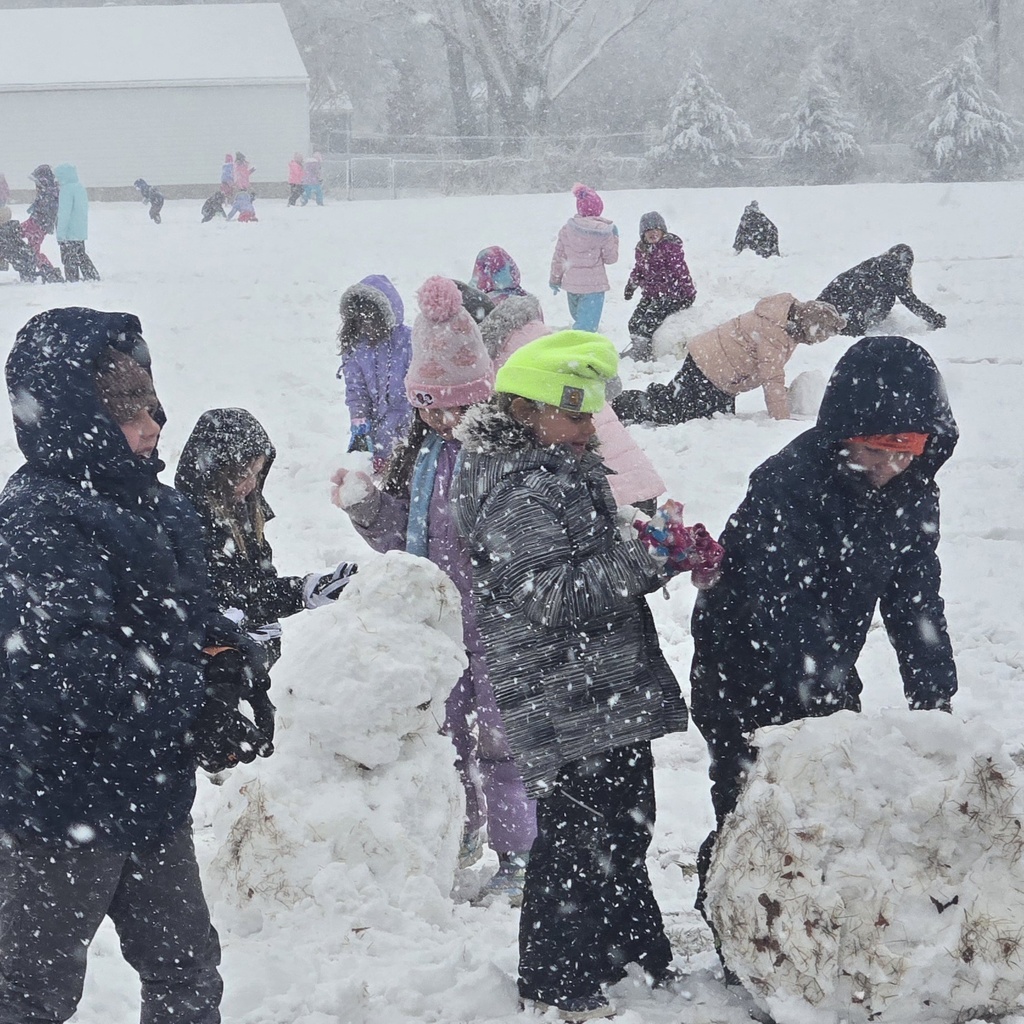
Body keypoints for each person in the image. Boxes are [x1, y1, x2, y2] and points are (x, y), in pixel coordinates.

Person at [0, 307, 275, 1024]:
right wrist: (192, 688)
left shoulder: (158, 506)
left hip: (149, 793)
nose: (153, 423)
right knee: (31, 994)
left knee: (187, 973)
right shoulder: (40, 518)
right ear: (72, 416)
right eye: (127, 410)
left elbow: (191, 620)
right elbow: (71, 673)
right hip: (61, 803)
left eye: (151, 403)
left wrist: (232, 666)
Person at [451, 330, 718, 1020]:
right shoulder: (515, 490)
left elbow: (587, 561)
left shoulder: (564, 469)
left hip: (603, 688)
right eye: (572, 416)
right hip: (561, 695)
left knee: (625, 827)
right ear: (525, 410)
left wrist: (653, 542)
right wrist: (644, 560)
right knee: (575, 838)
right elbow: (555, 594)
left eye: (590, 416)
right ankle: (553, 973)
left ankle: (629, 951)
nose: (584, 429)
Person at [688, 335, 959, 965]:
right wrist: (824, 707)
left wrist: (935, 703)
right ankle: (742, 938)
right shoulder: (789, 484)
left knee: (824, 806)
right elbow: (785, 606)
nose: (891, 464)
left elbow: (916, 601)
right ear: (845, 435)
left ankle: (807, 938)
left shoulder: (912, 491)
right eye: (874, 448)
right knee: (754, 807)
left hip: (825, 659)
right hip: (742, 665)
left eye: (908, 449)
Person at [331, 276, 537, 906]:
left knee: (503, 745)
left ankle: (519, 851)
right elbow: (407, 541)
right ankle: (461, 829)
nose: (445, 420)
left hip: (502, 628)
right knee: (442, 740)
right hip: (440, 633)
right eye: (431, 407)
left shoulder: (507, 461)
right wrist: (368, 508)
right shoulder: (422, 458)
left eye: (458, 407)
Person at [175, 408, 358, 667]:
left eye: (257, 473)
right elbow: (229, 600)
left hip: (251, 657)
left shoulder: (243, 514)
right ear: (213, 473)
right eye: (241, 475)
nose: (250, 484)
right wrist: (298, 594)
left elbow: (258, 586)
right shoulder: (190, 525)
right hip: (219, 666)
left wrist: (311, 587)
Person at [481, 292, 666, 512]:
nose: (590, 427)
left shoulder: (505, 366)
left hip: (606, 492)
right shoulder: (548, 344)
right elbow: (610, 384)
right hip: (630, 477)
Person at [613, 295, 847, 425]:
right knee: (677, 413)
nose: (816, 342)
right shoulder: (775, 331)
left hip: (716, 371)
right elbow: (772, 377)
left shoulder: (784, 321)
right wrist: (781, 420)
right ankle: (622, 404)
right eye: (819, 336)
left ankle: (641, 401)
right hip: (709, 369)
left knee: (713, 418)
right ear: (809, 326)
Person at [336, 275, 415, 472]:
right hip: (376, 432)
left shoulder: (409, 342)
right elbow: (356, 391)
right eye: (360, 321)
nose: (366, 327)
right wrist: (359, 424)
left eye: (372, 321)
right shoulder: (355, 348)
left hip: (408, 429)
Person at [817, 244, 946, 335]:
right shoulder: (895, 269)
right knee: (888, 297)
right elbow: (910, 301)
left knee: (886, 295)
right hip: (843, 311)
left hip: (825, 304)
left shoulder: (875, 264)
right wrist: (935, 319)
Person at [622, 211, 697, 361]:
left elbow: (681, 271)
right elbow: (639, 270)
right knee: (634, 321)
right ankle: (639, 345)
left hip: (672, 295)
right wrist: (631, 285)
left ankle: (643, 353)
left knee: (649, 319)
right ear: (643, 234)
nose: (653, 233)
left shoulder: (669, 248)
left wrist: (688, 294)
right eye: (649, 231)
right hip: (651, 295)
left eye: (657, 230)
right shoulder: (642, 250)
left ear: (663, 231)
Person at [549, 183, 618, 332]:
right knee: (587, 328)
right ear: (599, 209)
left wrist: (555, 279)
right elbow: (611, 258)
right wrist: (615, 238)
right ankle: (580, 350)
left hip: (572, 285)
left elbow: (558, 257)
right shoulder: (604, 232)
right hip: (594, 286)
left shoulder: (567, 229)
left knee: (579, 320)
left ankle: (578, 345)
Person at [55, 163, 100, 282]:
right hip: (79, 231)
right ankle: (92, 275)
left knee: (69, 258)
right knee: (81, 254)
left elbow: (64, 213)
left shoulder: (66, 190)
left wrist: (60, 234)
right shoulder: (79, 187)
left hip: (69, 232)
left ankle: (72, 280)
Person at [21, 165, 63, 282]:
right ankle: (35, 269)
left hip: (38, 226)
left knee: (33, 251)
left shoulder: (49, 193)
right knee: (13, 234)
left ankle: (48, 270)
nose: (36, 186)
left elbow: (48, 211)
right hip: (34, 223)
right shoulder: (48, 192)